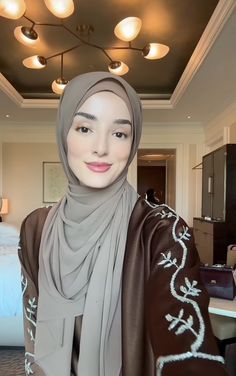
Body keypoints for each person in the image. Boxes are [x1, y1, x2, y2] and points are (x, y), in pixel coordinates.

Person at [18, 71, 228, 376]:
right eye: (85, 128)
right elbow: (34, 334)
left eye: (119, 133)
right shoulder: (35, 229)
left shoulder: (161, 231)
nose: (101, 147)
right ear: (64, 132)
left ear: (132, 143)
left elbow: (186, 343)